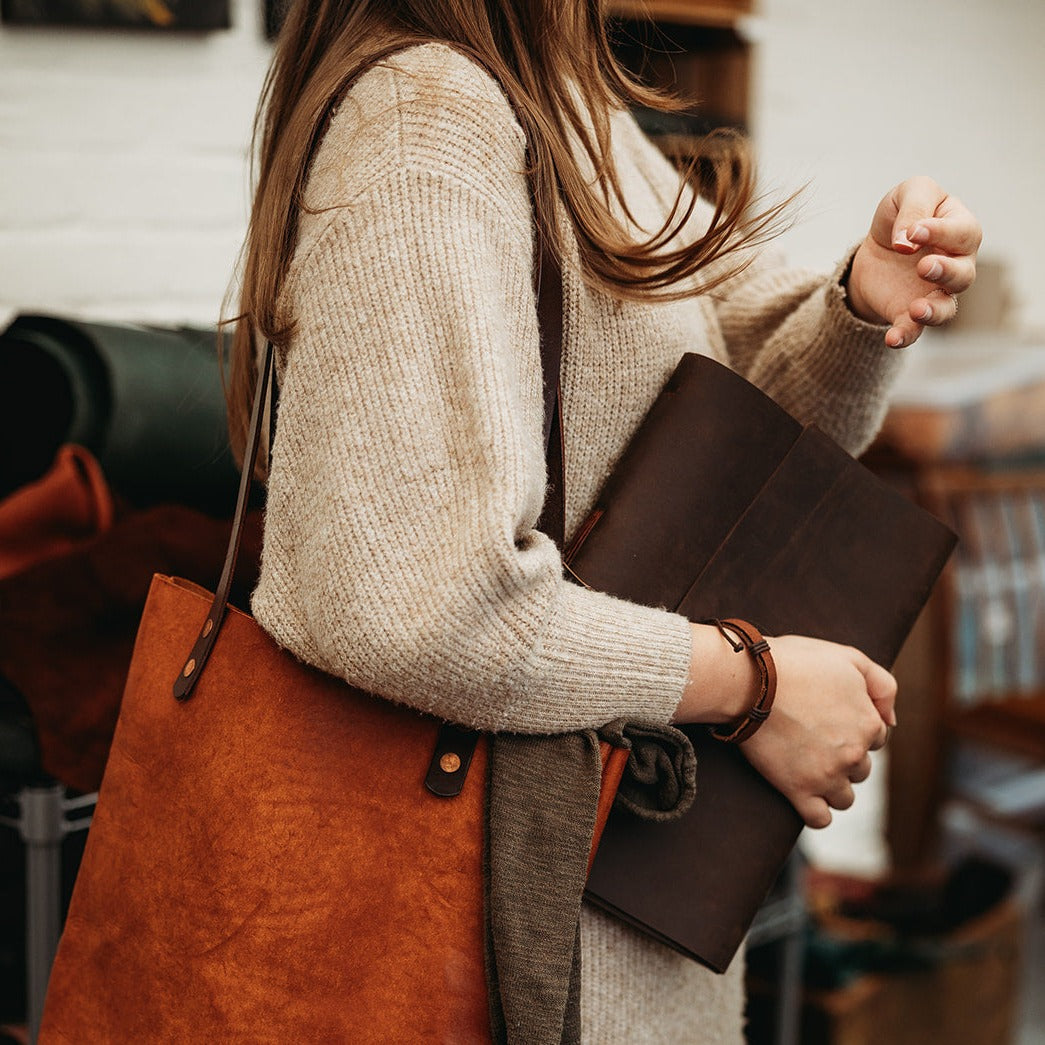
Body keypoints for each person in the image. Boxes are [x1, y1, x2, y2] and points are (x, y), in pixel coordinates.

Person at [227, 1, 981, 1040]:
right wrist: (753, 684)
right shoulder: (426, 118)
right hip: (510, 933)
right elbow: (417, 604)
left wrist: (861, 298)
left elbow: (744, 413)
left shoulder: (568, 102)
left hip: (608, 897)